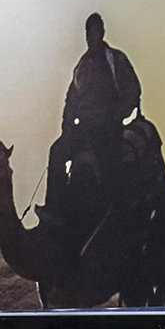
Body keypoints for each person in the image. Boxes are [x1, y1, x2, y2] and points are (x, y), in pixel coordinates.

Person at [47, 12, 143, 208]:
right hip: (83, 129)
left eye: (96, 31)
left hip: (108, 127)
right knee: (57, 152)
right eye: (90, 32)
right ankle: (54, 207)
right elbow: (71, 99)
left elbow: (132, 89)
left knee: (107, 168)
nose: (93, 36)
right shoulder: (81, 67)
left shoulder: (115, 60)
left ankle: (113, 210)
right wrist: (67, 127)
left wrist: (117, 115)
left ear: (102, 32)